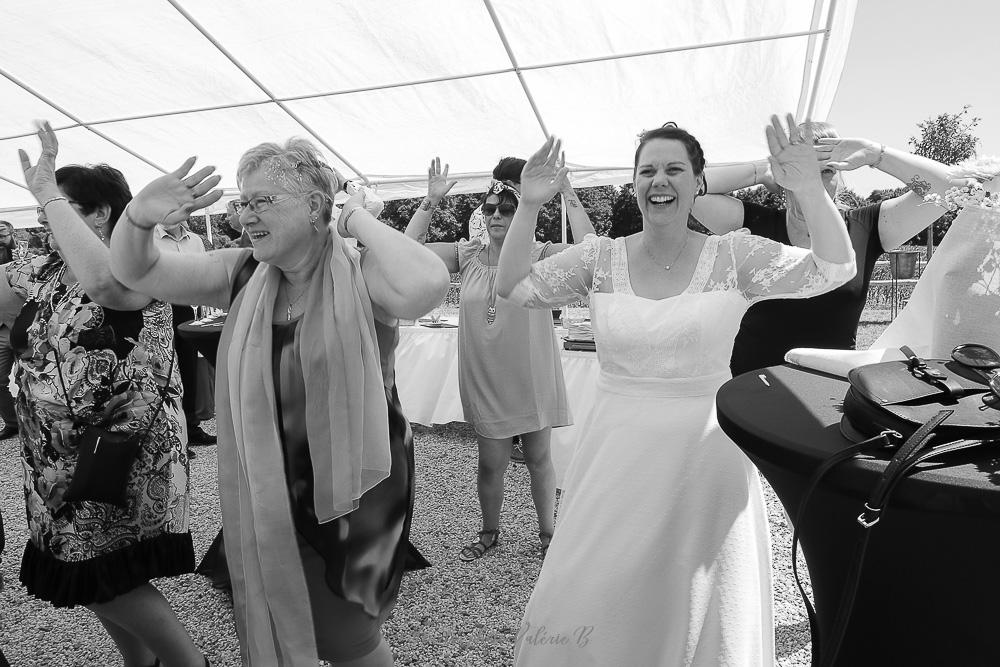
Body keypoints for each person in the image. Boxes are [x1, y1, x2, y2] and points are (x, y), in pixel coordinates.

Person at [496, 119, 856, 665]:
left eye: (673, 169)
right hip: (615, 454)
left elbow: (834, 269)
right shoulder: (601, 259)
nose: (658, 180)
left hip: (705, 458)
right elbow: (514, 287)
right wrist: (527, 206)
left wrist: (806, 185)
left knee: (695, 595)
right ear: (634, 184)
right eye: (647, 171)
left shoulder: (733, 257)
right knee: (595, 582)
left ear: (697, 183)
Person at [110, 138, 450, 666]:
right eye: (242, 203)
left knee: (347, 637)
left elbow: (427, 285)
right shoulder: (241, 272)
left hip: (358, 485)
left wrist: (354, 216)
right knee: (289, 614)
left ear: (315, 206)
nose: (246, 215)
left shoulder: (361, 271)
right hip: (271, 485)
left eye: (262, 201)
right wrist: (136, 219)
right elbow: (136, 272)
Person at [10, 122, 204, 667]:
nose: (47, 218)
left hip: (120, 449)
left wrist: (47, 191)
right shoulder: (43, 266)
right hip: (54, 456)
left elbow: (106, 287)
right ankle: (138, 664)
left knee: (102, 573)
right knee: (98, 575)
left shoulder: (141, 259)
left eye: (60, 208)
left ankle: (190, 664)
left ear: (97, 214)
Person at [405, 158, 595, 561]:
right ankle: (490, 531)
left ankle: (548, 536)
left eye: (506, 209)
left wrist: (567, 192)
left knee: (540, 461)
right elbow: (407, 252)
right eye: (490, 209)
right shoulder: (467, 254)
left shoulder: (540, 253)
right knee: (491, 464)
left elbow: (590, 251)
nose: (496, 215)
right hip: (487, 377)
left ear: (521, 211)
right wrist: (431, 201)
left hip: (531, 375)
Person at [692, 123, 956, 375]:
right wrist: (761, 170)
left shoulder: (867, 227)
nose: (814, 181)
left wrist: (876, 154)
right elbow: (685, 189)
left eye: (827, 170)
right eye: (802, 169)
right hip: (750, 392)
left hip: (829, 396)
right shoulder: (752, 224)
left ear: (839, 178)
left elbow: (949, 189)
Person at [153, 217, 216, 451]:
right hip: (161, 307)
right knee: (167, 372)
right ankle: (173, 435)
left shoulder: (196, 241)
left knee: (189, 369)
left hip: (190, 307)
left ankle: (191, 426)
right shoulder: (148, 239)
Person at [0, 220, 20, 439]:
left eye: (2, 234)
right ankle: (12, 422)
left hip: (25, 327)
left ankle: (35, 419)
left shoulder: (28, 259)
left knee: (31, 377)